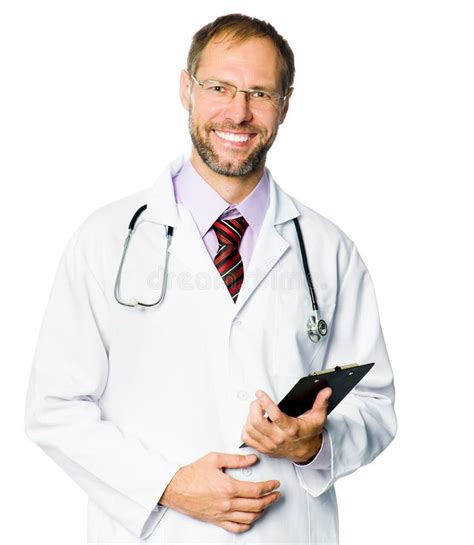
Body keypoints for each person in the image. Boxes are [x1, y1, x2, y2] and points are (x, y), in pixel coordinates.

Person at [24, 13, 397, 545]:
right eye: (219, 87)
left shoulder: (328, 249)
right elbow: (53, 409)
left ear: (285, 104)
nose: (238, 112)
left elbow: (376, 407)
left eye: (260, 93)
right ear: (186, 89)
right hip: (156, 533)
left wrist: (313, 446)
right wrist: (168, 486)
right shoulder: (106, 240)